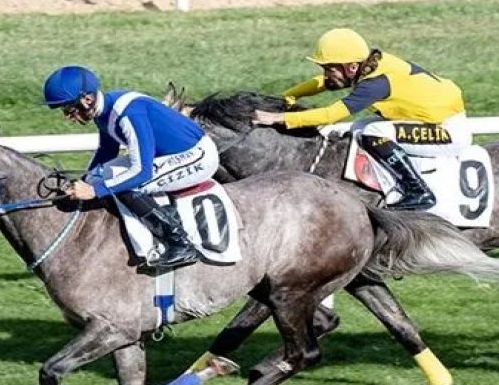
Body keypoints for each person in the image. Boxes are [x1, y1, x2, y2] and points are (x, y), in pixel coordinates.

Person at [252, 28, 470, 211]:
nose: (326, 74)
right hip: (432, 121)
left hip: (448, 131)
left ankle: (418, 192)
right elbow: (324, 83)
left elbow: (330, 115)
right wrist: (288, 95)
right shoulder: (368, 66)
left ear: (351, 67)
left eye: (329, 68)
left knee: (374, 132)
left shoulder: (375, 83)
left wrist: (278, 118)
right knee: (360, 129)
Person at [43, 65, 219, 270]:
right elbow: (107, 152)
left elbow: (141, 173)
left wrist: (93, 191)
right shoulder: (103, 112)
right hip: (169, 155)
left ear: (86, 100)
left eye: (68, 108)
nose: (67, 116)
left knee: (126, 185)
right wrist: (83, 181)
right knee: (105, 177)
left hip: (197, 157)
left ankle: (179, 243)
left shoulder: (127, 114)